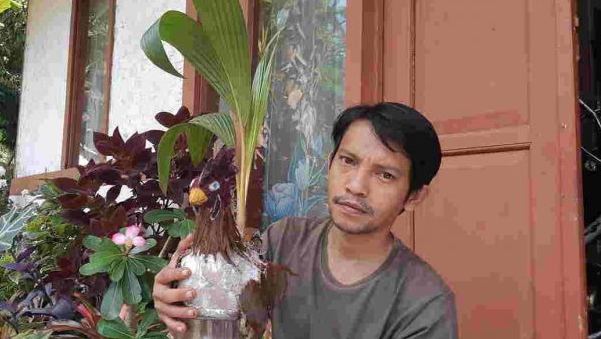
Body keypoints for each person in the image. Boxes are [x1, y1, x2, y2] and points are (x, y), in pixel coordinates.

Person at [152, 102, 459, 338]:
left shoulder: (424, 303)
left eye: (385, 175)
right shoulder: (282, 240)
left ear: (414, 195)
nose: (356, 186)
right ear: (330, 164)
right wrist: (178, 298)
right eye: (348, 161)